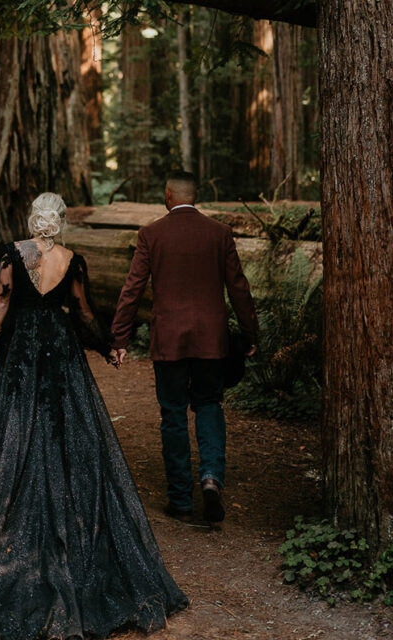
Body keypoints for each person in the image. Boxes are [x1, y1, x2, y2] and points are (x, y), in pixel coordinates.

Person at [0, 192, 188, 640]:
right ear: (61, 221)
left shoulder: (14, 253)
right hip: (59, 351)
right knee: (66, 430)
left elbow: (0, 302)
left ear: (34, 218)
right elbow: (84, 312)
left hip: (22, 354)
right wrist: (108, 345)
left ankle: (20, 515)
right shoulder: (73, 259)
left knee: (21, 428)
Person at [110, 171, 258, 525]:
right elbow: (238, 287)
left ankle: (180, 499)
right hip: (212, 339)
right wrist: (251, 333)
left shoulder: (151, 234)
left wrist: (119, 338)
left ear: (168, 195)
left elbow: (132, 290)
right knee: (209, 404)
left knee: (173, 413)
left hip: (169, 340)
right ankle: (209, 478)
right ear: (196, 196)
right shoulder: (218, 233)